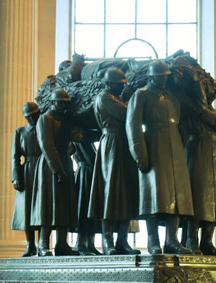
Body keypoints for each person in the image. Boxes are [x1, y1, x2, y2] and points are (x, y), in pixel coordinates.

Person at [126, 60, 194, 255]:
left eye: (166, 76)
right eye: (160, 76)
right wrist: (139, 152)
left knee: (176, 194)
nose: (164, 79)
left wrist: (182, 139)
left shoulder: (171, 97)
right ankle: (152, 240)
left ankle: (171, 241)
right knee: (153, 196)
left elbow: (178, 121)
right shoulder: (141, 95)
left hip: (175, 148)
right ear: (152, 77)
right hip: (154, 146)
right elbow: (133, 126)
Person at [89, 67, 140, 255]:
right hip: (111, 144)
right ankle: (108, 242)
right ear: (110, 84)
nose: (121, 87)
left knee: (125, 193)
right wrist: (131, 99)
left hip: (123, 144)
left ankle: (122, 241)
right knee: (109, 194)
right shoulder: (104, 98)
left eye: (123, 84)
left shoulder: (116, 98)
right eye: (119, 84)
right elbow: (128, 114)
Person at [182, 80, 216, 255]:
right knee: (197, 198)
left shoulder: (212, 112)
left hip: (214, 158)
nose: (214, 95)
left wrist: (203, 110)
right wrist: (200, 110)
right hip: (196, 154)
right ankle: (191, 240)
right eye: (212, 92)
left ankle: (207, 242)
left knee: (214, 201)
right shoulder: (190, 112)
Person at [31, 88, 79, 256]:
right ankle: (43, 244)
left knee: (64, 205)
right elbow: (47, 145)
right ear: (52, 102)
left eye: (64, 103)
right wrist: (57, 169)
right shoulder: (45, 119)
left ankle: (62, 244)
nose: (62, 105)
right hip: (49, 166)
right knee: (48, 205)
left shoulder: (65, 119)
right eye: (59, 102)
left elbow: (73, 140)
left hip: (65, 162)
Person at [10, 102, 42, 256]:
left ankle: (43, 244)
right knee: (27, 209)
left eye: (34, 115)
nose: (31, 118)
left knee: (43, 208)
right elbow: (15, 156)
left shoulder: (44, 128)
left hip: (43, 169)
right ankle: (31, 245)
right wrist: (16, 177)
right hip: (28, 170)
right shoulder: (20, 132)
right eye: (28, 116)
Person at [72, 130, 102, 255]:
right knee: (83, 209)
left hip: (90, 172)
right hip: (85, 173)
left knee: (92, 210)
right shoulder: (77, 134)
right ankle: (80, 243)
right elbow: (89, 157)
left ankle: (90, 243)